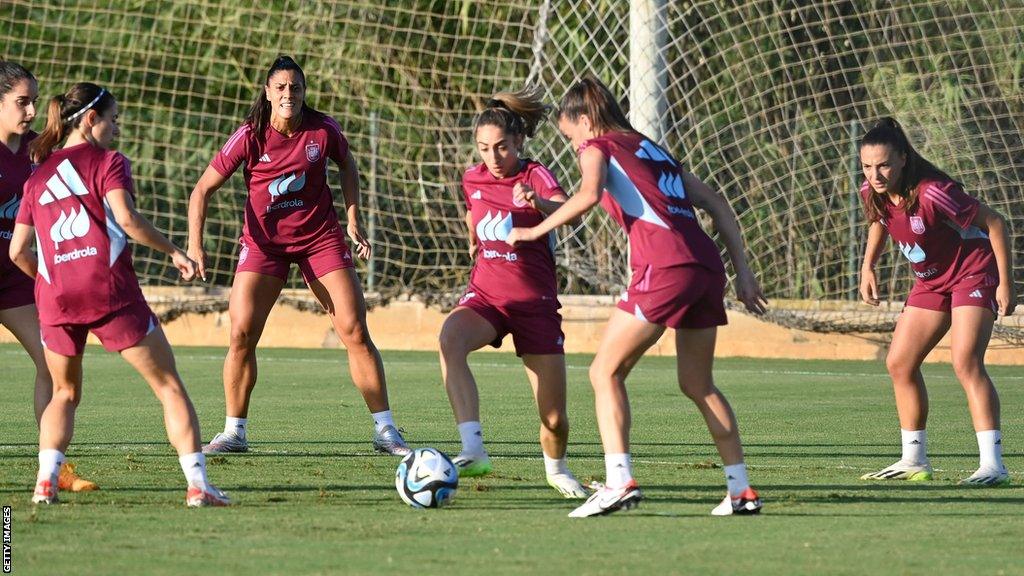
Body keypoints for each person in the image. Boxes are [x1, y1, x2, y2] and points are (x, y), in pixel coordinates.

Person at [506, 76, 768, 517]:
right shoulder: (651, 148)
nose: (574, 149)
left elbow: (587, 197)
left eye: (571, 138)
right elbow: (717, 204)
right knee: (698, 383)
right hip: (705, 267)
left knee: (603, 372)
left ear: (586, 122)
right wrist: (744, 272)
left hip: (664, 267)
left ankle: (618, 481)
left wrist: (532, 229)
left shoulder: (598, 147)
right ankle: (740, 490)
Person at [9, 82, 229, 506]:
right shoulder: (107, 162)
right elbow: (127, 220)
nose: (116, 129)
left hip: (56, 299)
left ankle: (45, 482)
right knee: (168, 386)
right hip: (108, 291)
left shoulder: (37, 176)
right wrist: (174, 251)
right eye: (113, 120)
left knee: (63, 393)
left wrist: (48, 280)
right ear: (91, 119)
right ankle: (199, 486)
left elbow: (18, 251)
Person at [187, 56, 409, 455]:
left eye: (296, 87)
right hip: (264, 246)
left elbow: (348, 166)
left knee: (355, 330)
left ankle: (386, 430)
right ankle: (234, 432)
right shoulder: (249, 135)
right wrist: (194, 245)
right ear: (268, 92)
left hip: (319, 240)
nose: (289, 94)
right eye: (282, 87)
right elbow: (201, 190)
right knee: (240, 334)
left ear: (304, 93)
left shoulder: (323, 130)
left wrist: (354, 219)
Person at [439, 88, 587, 498]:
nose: (493, 157)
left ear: (518, 142)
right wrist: (472, 236)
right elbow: (473, 207)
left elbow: (568, 213)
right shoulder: (472, 177)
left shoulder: (534, 174)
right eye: (484, 148)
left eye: (501, 147)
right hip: (486, 297)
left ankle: (556, 470)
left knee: (554, 419)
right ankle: (473, 448)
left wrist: (536, 201)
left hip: (534, 306)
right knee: (450, 339)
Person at [857, 117, 1015, 486]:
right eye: (867, 166)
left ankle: (993, 466)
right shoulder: (871, 190)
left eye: (882, 165)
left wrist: (1006, 282)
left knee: (965, 362)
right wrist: (867, 266)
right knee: (899, 363)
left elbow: (995, 222)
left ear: (902, 159)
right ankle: (914, 460)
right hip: (930, 283)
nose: (875, 174)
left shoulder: (933, 192)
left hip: (972, 274)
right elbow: (879, 220)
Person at [0, 61, 97, 493]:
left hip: (16, 280)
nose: (31, 110)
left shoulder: (36, 152)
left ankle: (54, 468)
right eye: (22, 101)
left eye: (35, 101)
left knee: (55, 368)